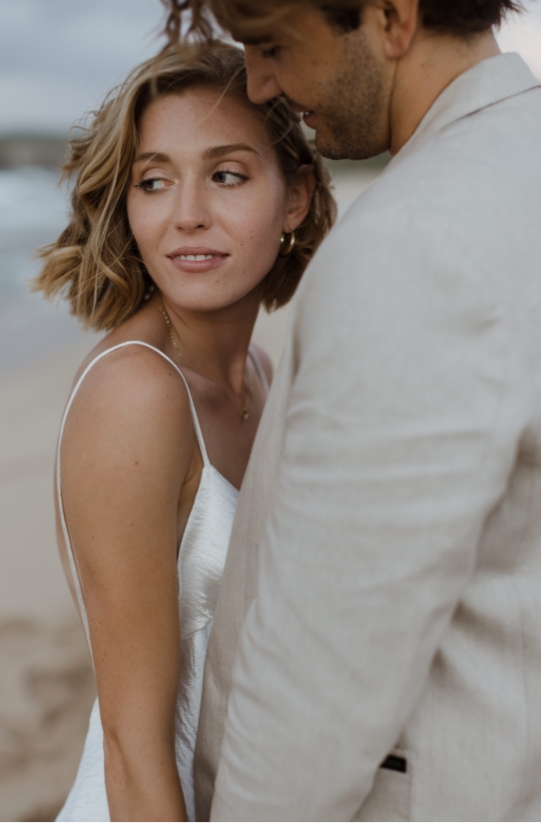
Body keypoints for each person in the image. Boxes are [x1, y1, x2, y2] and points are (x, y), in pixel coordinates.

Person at [164, 0, 541, 820]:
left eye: (272, 46)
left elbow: (321, 676)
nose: (259, 82)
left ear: (392, 18)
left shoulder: (415, 245)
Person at [32, 42, 334, 822]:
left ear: (294, 197)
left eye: (226, 174)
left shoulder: (260, 374)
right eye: (154, 181)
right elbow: (134, 750)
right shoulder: (135, 394)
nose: (187, 213)